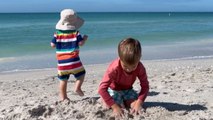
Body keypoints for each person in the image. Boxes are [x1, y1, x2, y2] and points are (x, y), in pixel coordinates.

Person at [98, 38, 149, 117]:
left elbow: (145, 86)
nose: (129, 69)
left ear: (140, 57)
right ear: (119, 57)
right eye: (125, 66)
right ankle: (104, 100)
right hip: (113, 89)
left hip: (128, 90)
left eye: (133, 66)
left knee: (134, 104)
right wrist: (115, 107)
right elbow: (102, 89)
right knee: (115, 106)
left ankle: (126, 101)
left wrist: (139, 103)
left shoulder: (140, 67)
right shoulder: (114, 68)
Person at [50, 9, 88, 101]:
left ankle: (64, 97)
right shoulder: (76, 33)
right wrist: (84, 39)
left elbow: (52, 45)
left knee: (63, 80)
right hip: (74, 60)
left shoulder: (57, 34)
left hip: (62, 63)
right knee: (81, 74)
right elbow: (80, 44)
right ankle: (77, 88)